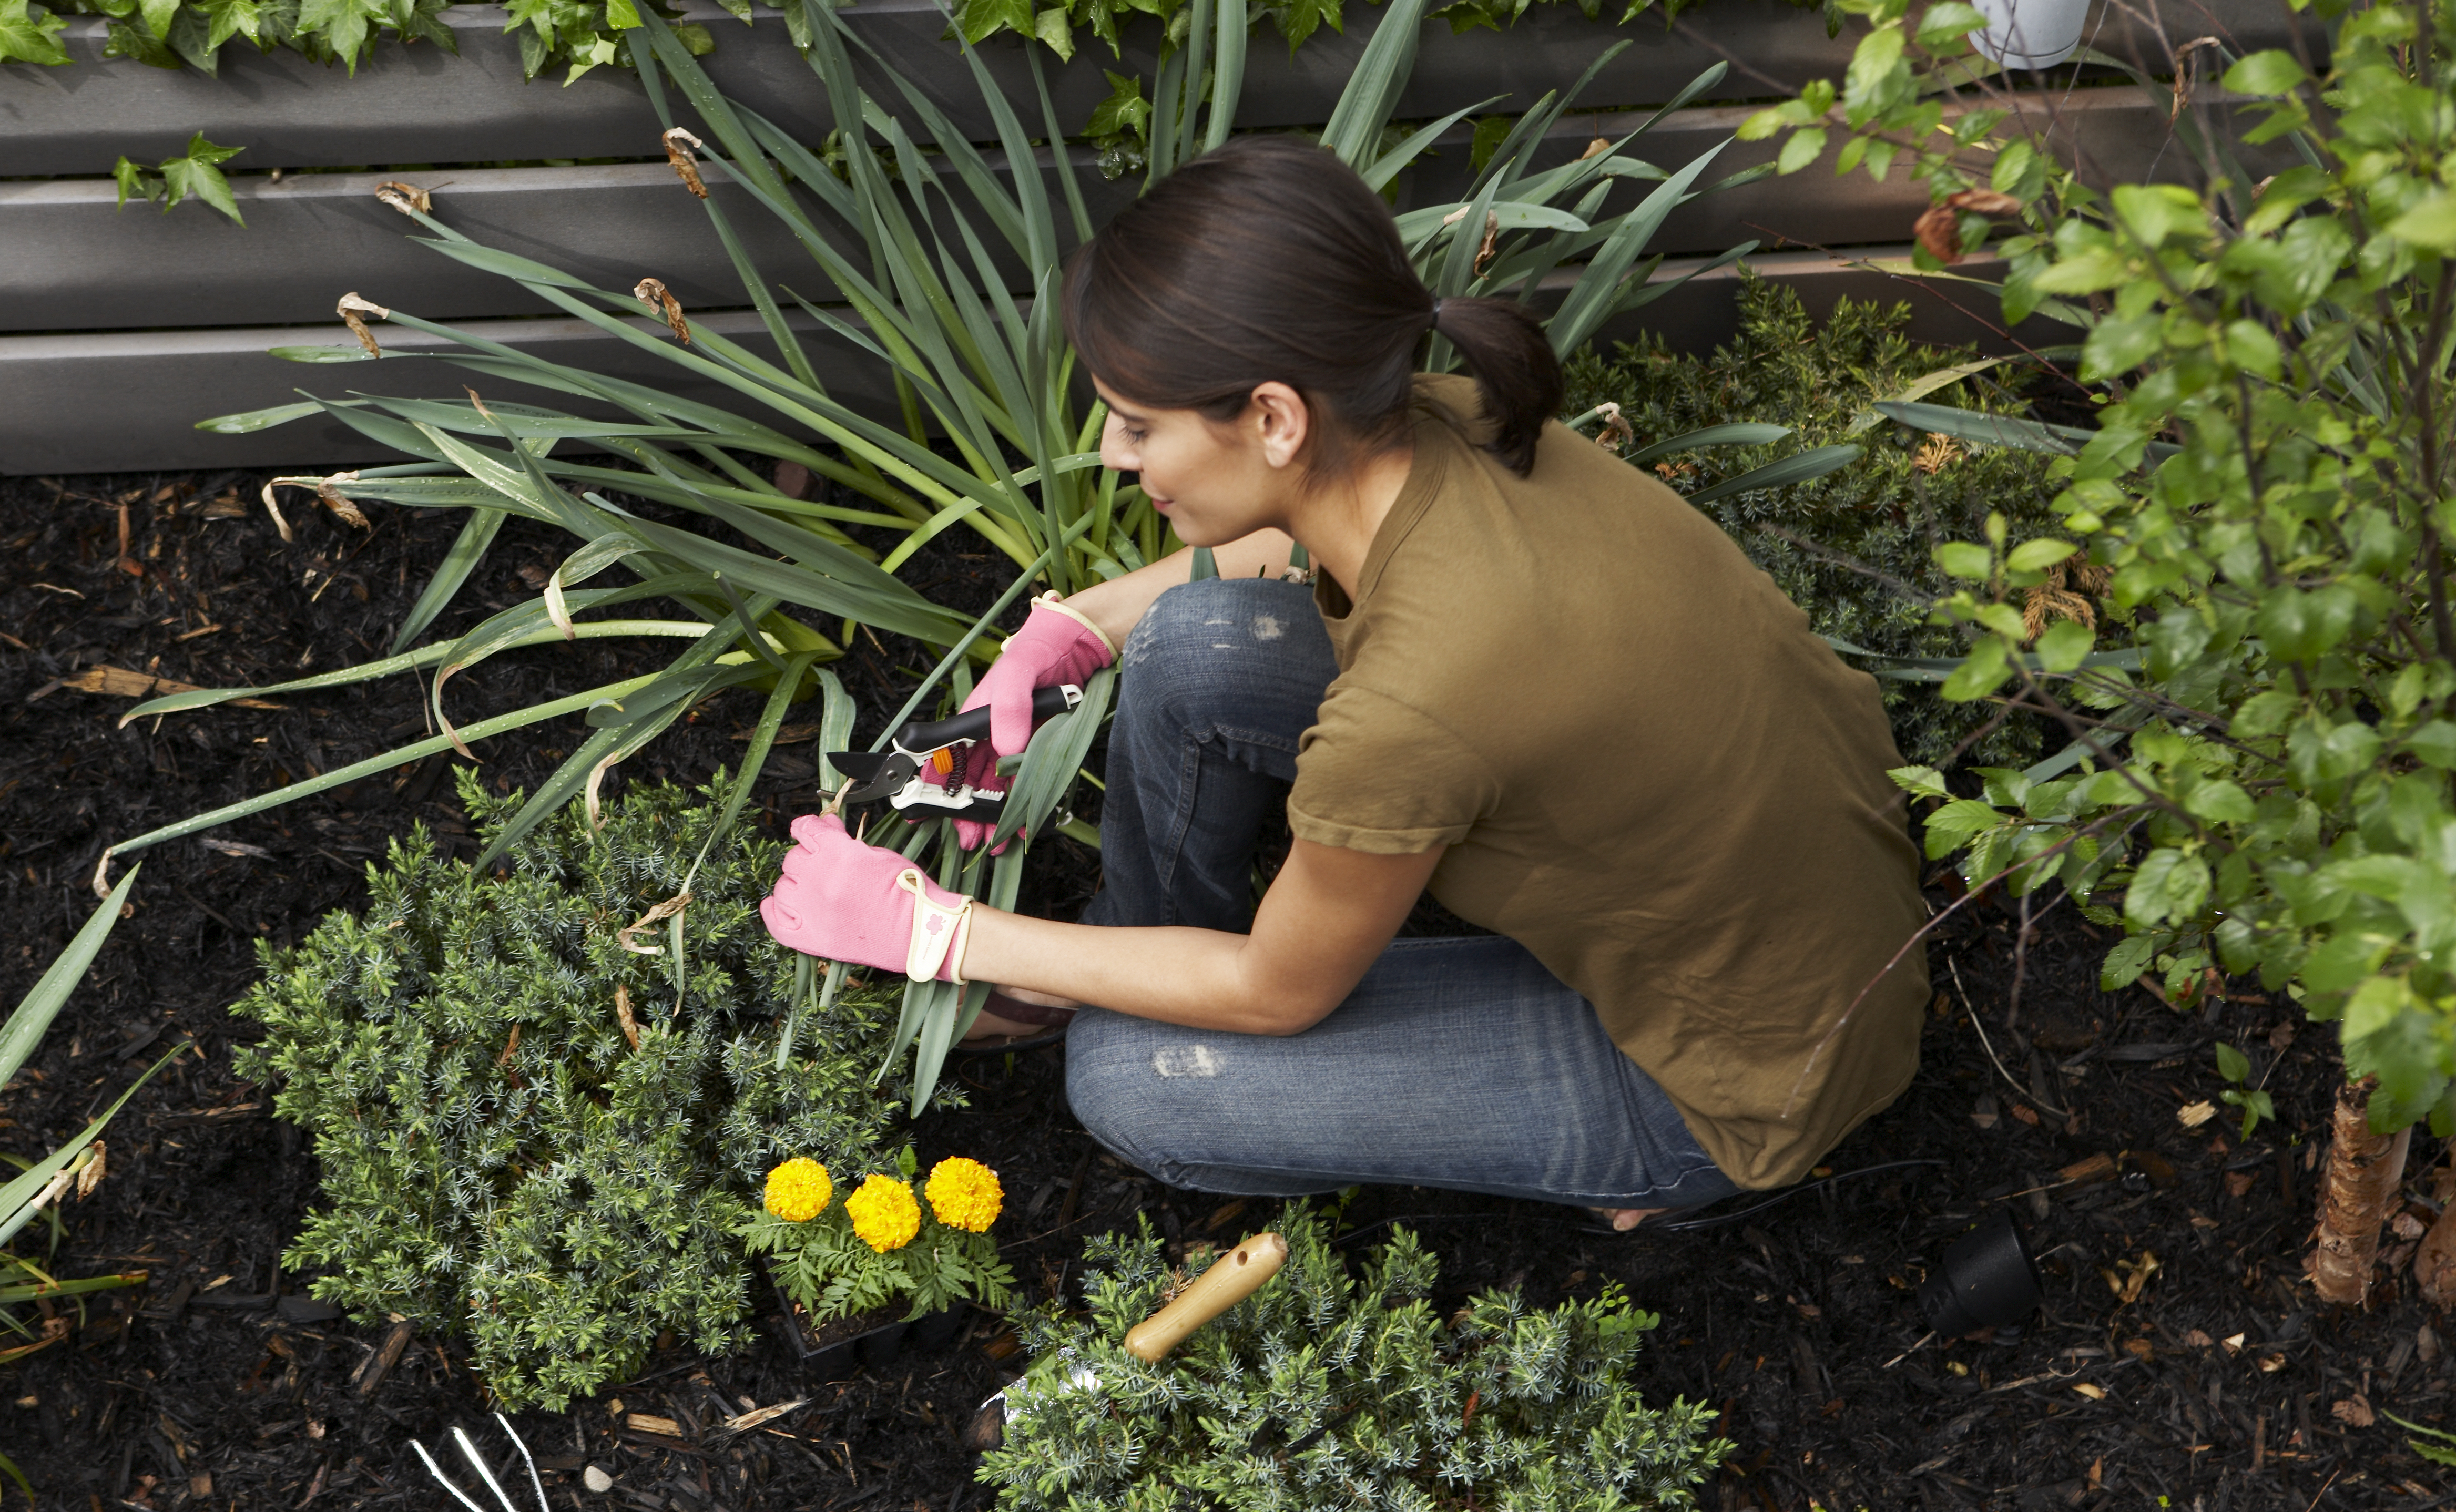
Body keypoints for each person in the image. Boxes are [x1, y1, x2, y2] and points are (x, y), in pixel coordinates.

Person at [758, 136, 1929, 1227]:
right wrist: (1080, 625)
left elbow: (1279, 993)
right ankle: (1132, 954)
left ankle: (1665, 1176)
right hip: (1804, 889)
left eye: (1136, 425)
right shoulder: (1438, 418)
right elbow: (1299, 536)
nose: (1115, 456)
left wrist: (943, 935)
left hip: (1733, 1073)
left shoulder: (1415, 707)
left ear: (1272, 416)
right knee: (1188, 643)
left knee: (1132, 1076)